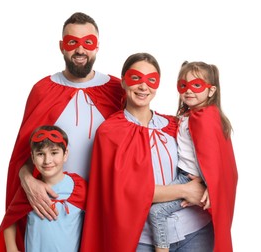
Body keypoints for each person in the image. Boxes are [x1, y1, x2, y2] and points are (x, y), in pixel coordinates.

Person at [0, 12, 125, 251]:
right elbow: (22, 155)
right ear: (62, 46)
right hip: (53, 207)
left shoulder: (116, 90)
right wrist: (27, 179)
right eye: (73, 43)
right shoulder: (43, 90)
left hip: (104, 207)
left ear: (98, 47)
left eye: (88, 43)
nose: (81, 50)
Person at [80, 53, 215, 252]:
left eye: (151, 80)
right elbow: (122, 191)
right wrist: (187, 190)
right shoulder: (110, 132)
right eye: (136, 78)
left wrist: (212, 184)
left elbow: (210, 156)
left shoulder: (174, 125)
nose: (144, 87)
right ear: (124, 81)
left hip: (195, 230)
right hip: (143, 238)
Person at [148, 61, 238, 252]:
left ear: (211, 90)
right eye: (183, 85)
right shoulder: (190, 115)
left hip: (188, 177)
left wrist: (208, 185)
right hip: (186, 175)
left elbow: (214, 158)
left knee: (156, 212)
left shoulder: (205, 118)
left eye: (196, 85)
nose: (188, 91)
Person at [0, 125, 87, 252]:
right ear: (32, 157)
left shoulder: (79, 187)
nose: (47, 160)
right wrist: (12, 248)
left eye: (54, 152)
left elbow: (97, 219)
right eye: (40, 154)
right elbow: (9, 220)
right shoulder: (29, 190)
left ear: (65, 154)